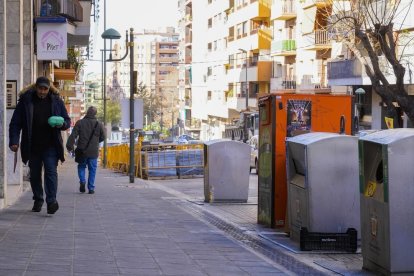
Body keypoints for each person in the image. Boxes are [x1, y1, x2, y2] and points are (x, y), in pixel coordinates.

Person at [9, 76, 71, 214]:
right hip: (32, 145)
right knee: (35, 175)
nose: (42, 91)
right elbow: (15, 123)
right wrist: (13, 141)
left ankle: (51, 202)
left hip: (51, 145)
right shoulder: (25, 101)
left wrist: (63, 124)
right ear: (35, 87)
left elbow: (67, 120)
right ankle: (38, 198)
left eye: (45, 89)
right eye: (40, 88)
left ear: (49, 89)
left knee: (50, 172)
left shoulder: (56, 102)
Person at [66, 106, 105, 194]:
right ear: (95, 114)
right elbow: (103, 137)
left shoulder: (80, 122)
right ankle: (91, 188)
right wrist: (95, 142)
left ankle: (82, 181)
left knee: (81, 166)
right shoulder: (99, 124)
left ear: (87, 112)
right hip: (93, 152)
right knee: (92, 169)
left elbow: (73, 135)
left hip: (82, 150)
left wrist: (69, 146)